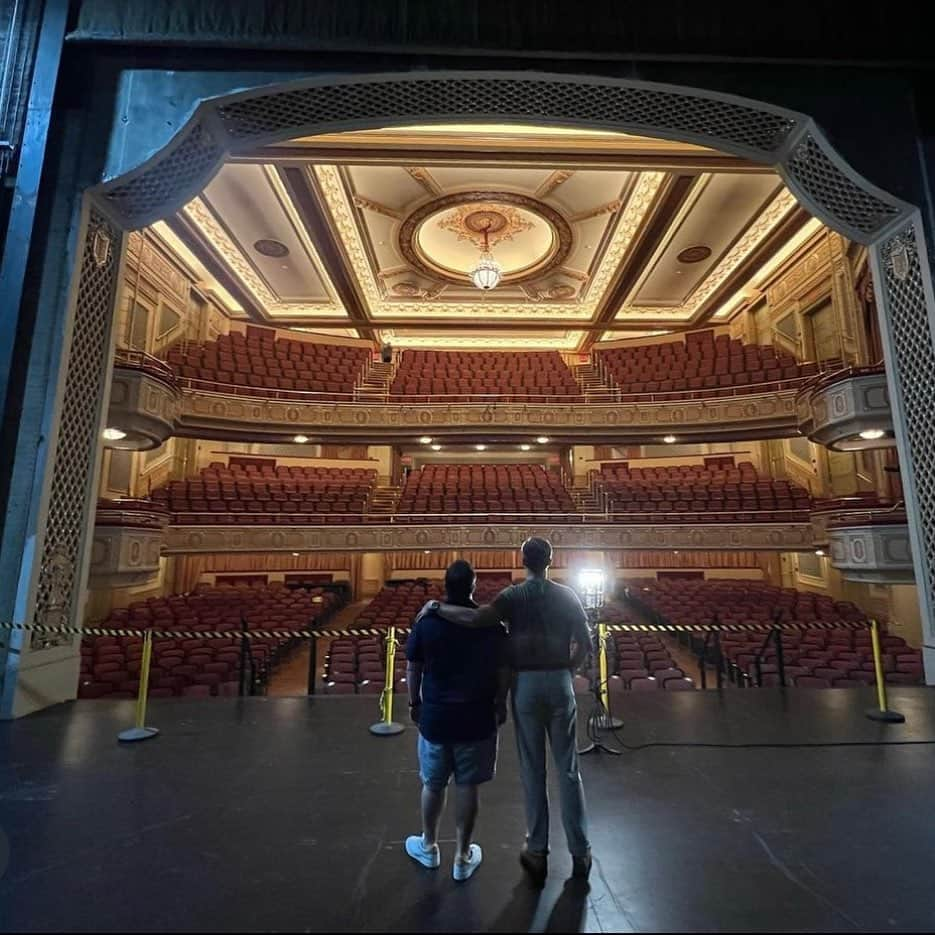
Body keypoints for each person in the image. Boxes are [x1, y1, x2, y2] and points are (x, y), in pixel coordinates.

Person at [421, 537, 592, 883]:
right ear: (550, 560)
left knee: (533, 769)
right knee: (569, 770)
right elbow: (586, 643)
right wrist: (569, 671)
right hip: (559, 680)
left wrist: (437, 609)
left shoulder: (514, 595)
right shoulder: (567, 596)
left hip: (526, 685)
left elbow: (477, 619)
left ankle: (538, 851)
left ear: (523, 560)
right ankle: (581, 851)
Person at [404, 559, 510, 881]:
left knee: (433, 783)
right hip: (477, 716)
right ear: (473, 586)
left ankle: (429, 846)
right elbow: (504, 670)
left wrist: (414, 702)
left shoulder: (427, 622)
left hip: (436, 716)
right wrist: (500, 703)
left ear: (444, 586)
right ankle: (463, 857)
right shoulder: (492, 626)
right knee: (468, 785)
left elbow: (413, 667)